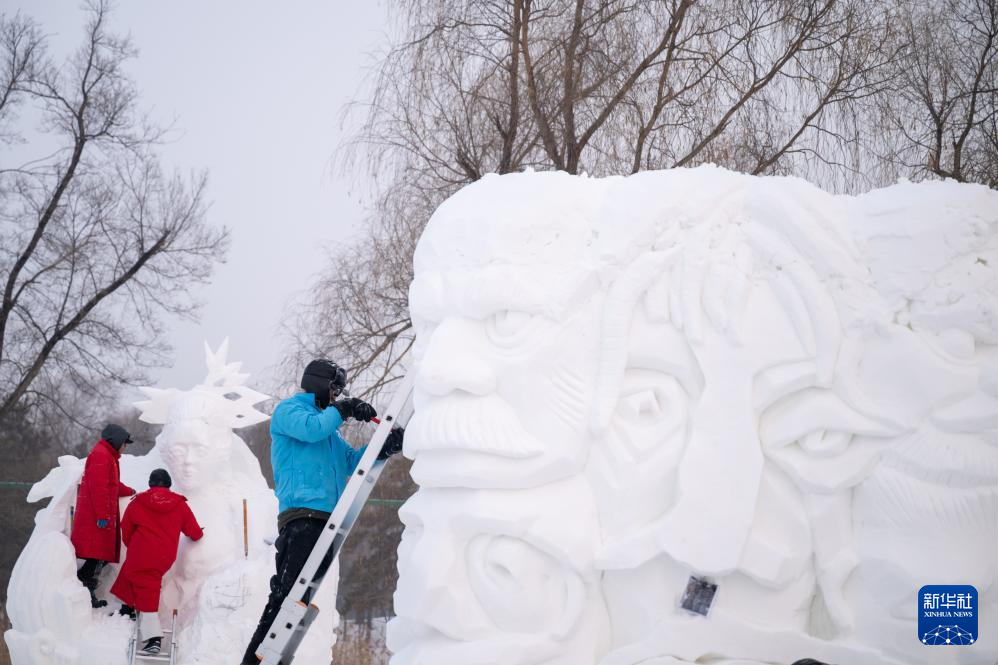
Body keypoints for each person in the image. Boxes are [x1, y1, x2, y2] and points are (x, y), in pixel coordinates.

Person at [240, 359, 404, 664]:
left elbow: (351, 462)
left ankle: (272, 657)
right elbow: (312, 430)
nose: (337, 395)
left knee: (298, 599)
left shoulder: (331, 432)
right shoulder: (290, 412)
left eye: (340, 391)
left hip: (326, 521)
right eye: (334, 388)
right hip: (302, 516)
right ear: (317, 383)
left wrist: (383, 447)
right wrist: (345, 409)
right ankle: (255, 660)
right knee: (287, 593)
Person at [111, 468, 204, 656]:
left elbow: (126, 529)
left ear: (150, 484)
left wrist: (134, 545)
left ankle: (153, 638)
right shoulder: (179, 505)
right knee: (134, 574)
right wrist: (197, 534)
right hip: (163, 556)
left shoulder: (138, 503)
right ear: (169, 484)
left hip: (140, 552)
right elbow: (194, 531)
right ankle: (127, 607)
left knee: (146, 588)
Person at [70, 423, 137, 608]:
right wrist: (102, 515)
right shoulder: (101, 456)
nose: (125, 447)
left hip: (100, 516)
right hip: (95, 518)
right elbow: (99, 488)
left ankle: (86, 587)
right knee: (97, 554)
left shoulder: (107, 456)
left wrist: (130, 490)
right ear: (115, 441)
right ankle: (84, 586)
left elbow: (111, 484)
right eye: (124, 443)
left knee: (101, 554)